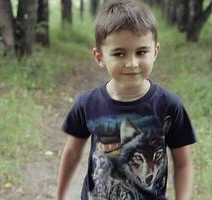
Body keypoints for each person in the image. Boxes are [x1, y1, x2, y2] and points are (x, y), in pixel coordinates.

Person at [57, 0, 196, 199]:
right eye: (119, 53)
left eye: (141, 52)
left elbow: (183, 164)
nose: (131, 63)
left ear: (155, 51)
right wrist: (60, 196)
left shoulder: (169, 106)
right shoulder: (88, 104)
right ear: (99, 57)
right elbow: (71, 153)